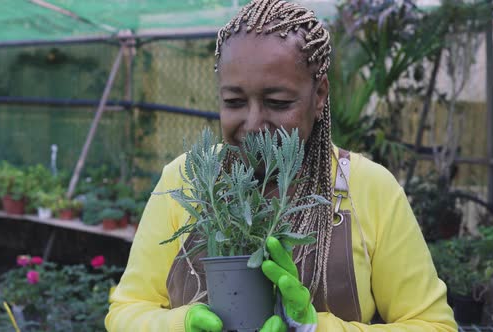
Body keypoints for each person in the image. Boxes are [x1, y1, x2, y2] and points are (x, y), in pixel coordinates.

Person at [105, 0, 458, 331]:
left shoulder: (369, 188)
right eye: (234, 101)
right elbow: (127, 310)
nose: (254, 122)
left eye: (278, 102)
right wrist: (179, 324)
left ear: (318, 96)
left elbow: (433, 324)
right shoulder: (187, 179)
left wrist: (314, 326)